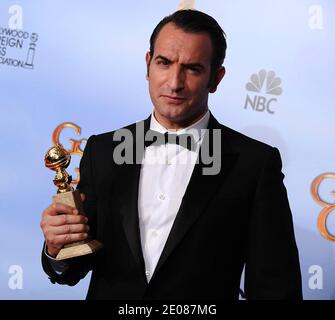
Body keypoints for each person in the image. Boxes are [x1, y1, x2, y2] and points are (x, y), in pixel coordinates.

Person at [40, 9, 303, 300]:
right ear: (148, 64)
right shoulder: (102, 152)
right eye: (164, 63)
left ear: (216, 78)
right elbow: (75, 264)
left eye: (192, 68)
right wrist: (56, 249)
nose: (174, 82)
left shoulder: (254, 164)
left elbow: (276, 288)